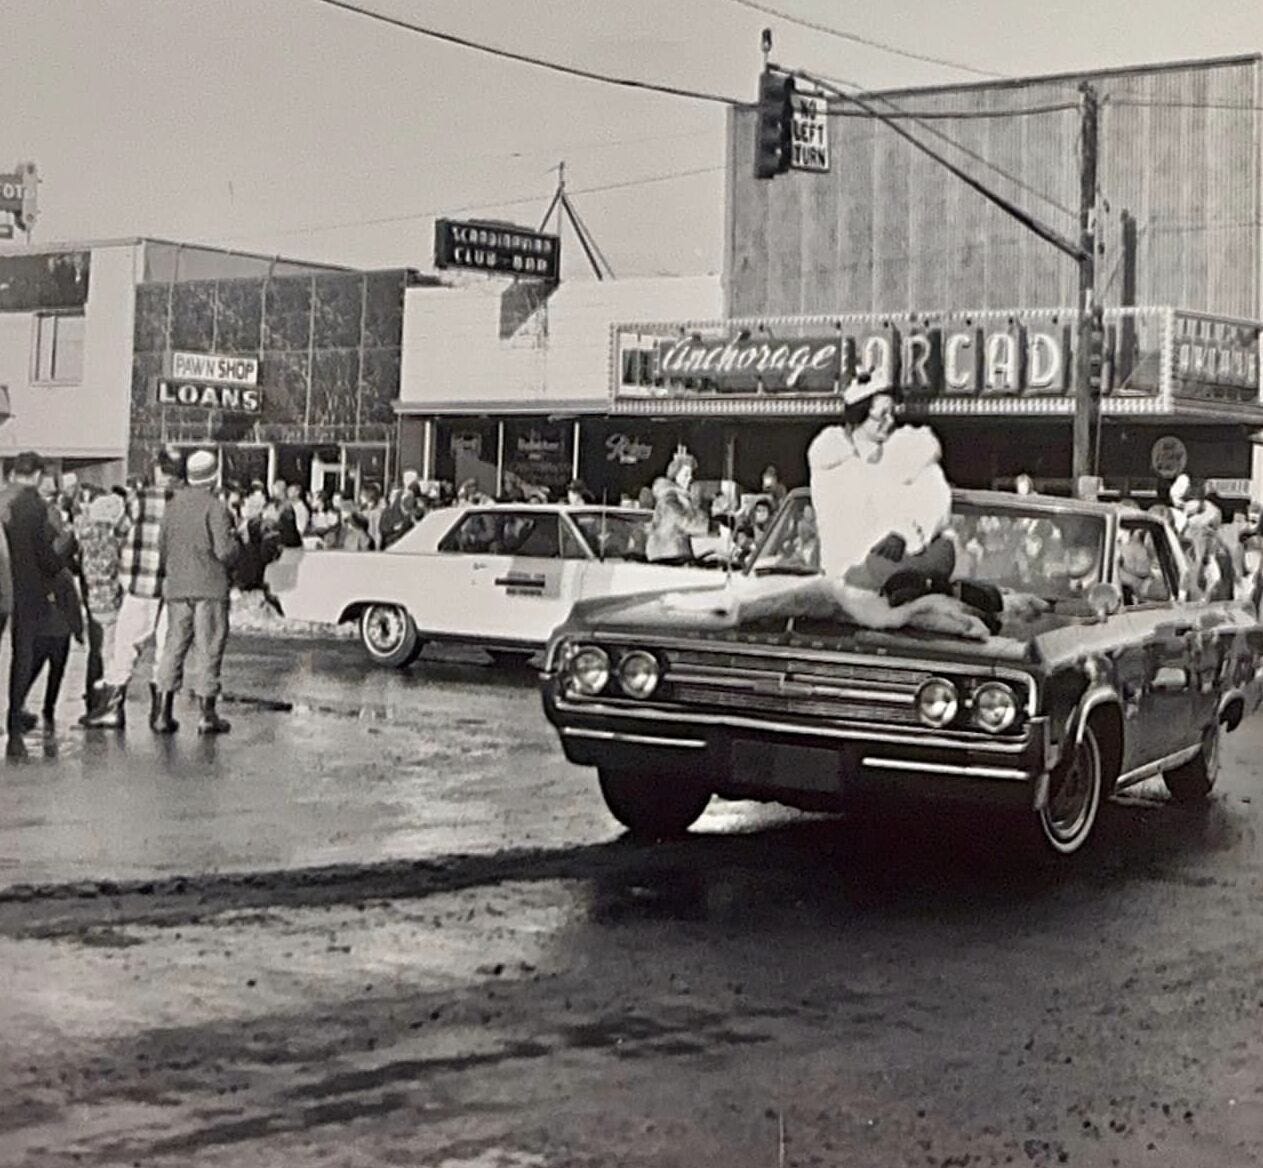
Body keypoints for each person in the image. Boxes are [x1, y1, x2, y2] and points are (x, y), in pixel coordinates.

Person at [807, 372, 954, 594]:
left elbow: (936, 504)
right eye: (882, 415)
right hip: (839, 590)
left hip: (893, 583)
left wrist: (904, 534)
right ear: (860, 413)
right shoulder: (830, 461)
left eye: (892, 413)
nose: (890, 421)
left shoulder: (909, 455)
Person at [80, 448, 181, 730]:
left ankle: (112, 709)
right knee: (166, 649)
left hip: (141, 583)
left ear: (159, 470)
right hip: (174, 587)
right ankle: (161, 713)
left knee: (126, 646)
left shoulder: (142, 499)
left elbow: (121, 530)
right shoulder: (182, 501)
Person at [153, 450, 240, 735]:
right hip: (209, 587)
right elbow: (224, 551)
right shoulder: (215, 507)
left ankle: (163, 712)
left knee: (173, 646)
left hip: (178, 587)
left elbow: (162, 547)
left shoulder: (172, 506)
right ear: (213, 476)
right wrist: (237, 544)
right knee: (209, 648)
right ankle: (207, 714)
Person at [0, 452, 68, 753]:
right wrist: (65, 550)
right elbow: (47, 558)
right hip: (27, 590)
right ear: (38, 475)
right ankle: (14, 712)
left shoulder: (3, 499)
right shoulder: (36, 506)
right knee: (22, 654)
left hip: (4, 582)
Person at [74, 490, 128, 713]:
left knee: (96, 649)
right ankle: (107, 699)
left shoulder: (84, 537)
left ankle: (93, 693)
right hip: (112, 600)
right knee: (110, 651)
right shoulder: (115, 541)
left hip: (92, 598)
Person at [646, 449, 710, 564]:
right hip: (667, 554)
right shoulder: (669, 498)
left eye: (691, 475)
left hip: (676, 552)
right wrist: (712, 528)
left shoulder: (683, 497)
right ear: (675, 475)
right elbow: (683, 521)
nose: (689, 478)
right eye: (686, 474)